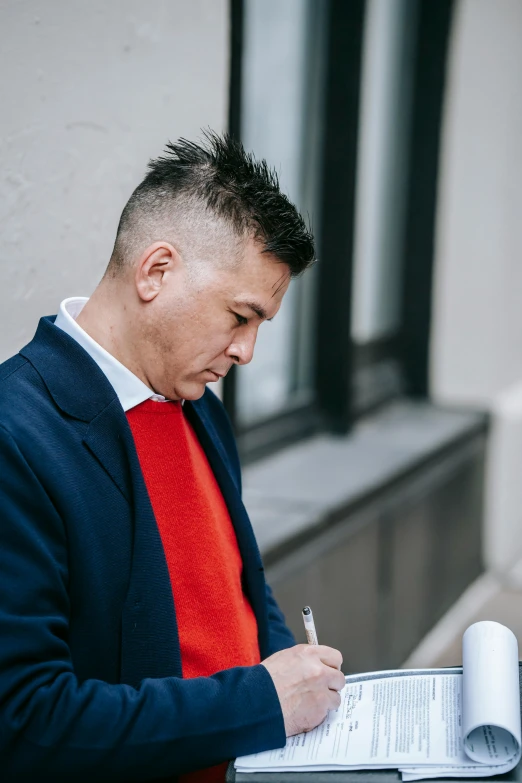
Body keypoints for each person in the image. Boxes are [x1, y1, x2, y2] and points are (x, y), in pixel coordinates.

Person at [0, 132, 345, 782]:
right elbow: (24, 719)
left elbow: (244, 586)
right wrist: (261, 702)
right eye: (241, 315)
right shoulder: (15, 435)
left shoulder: (197, 402)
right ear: (156, 271)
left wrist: (292, 680)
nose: (247, 352)